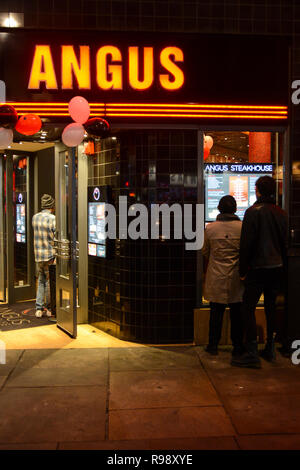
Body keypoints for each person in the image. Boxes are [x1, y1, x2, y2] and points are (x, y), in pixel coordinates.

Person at [232, 176, 288, 368]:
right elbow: (284, 244)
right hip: (276, 267)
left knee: (247, 307)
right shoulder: (281, 213)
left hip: (257, 267)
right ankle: (270, 347)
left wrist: (242, 270)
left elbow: (246, 244)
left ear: (257, 190)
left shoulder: (252, 212)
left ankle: (252, 351)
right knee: (271, 307)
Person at [202, 195, 244, 356]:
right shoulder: (242, 227)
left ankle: (213, 345)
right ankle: (238, 346)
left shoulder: (211, 228)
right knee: (237, 314)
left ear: (219, 209)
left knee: (216, 313)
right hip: (236, 276)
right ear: (235, 209)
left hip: (216, 276)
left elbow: (205, 251)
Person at [32, 194, 56, 319]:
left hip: (38, 255)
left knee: (40, 280)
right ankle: (49, 308)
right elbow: (56, 236)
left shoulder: (35, 218)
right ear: (51, 206)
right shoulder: (52, 218)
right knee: (48, 281)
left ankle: (38, 309)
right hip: (49, 255)